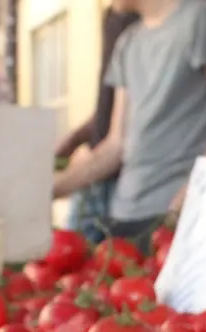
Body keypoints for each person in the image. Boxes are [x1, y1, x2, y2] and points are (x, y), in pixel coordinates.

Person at [52, 0, 206, 254]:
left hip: (178, 215)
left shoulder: (200, 20)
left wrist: (193, 193)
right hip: (123, 215)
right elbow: (115, 146)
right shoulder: (128, 43)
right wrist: (52, 187)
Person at [55, 2, 139, 245]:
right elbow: (110, 105)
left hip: (126, 180)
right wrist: (76, 138)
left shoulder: (151, 23)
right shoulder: (112, 17)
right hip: (96, 170)